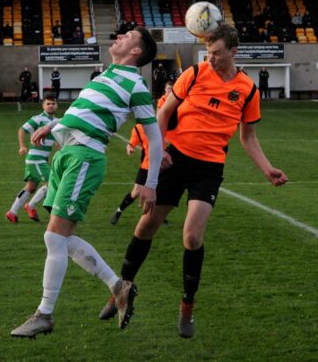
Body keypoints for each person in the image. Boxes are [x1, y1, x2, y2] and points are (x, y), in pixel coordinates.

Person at [98, 24, 288, 338]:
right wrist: (161, 150)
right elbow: (162, 113)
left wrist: (267, 169)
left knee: (192, 237)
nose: (210, 59)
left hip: (209, 168)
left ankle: (187, 306)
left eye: (216, 54)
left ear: (233, 52)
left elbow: (248, 138)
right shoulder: (195, 74)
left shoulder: (248, 90)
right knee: (145, 226)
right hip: (176, 159)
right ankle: (121, 290)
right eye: (207, 53)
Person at [10, 27, 160, 339]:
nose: (119, 36)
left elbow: (154, 136)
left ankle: (45, 314)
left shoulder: (135, 83)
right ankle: (119, 287)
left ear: (137, 51)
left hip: (84, 159)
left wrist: (152, 181)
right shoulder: (104, 76)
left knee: (54, 239)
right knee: (58, 240)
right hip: (66, 155)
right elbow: (86, 112)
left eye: (129, 35)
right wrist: (54, 124)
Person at [110, 80, 174, 226]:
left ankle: (157, 216)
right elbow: (131, 143)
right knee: (136, 192)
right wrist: (130, 147)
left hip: (161, 166)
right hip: (146, 166)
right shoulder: (139, 128)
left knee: (160, 191)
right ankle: (119, 211)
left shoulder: (165, 127)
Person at [5, 94, 59, 224]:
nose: (51, 106)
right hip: (36, 159)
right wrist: (22, 146)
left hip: (41, 159)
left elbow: (58, 141)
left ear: (56, 105)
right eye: (48, 104)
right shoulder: (38, 119)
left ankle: (12, 212)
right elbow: (22, 130)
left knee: (31, 187)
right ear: (43, 105)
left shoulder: (56, 121)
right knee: (52, 184)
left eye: (53, 103)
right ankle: (31, 206)